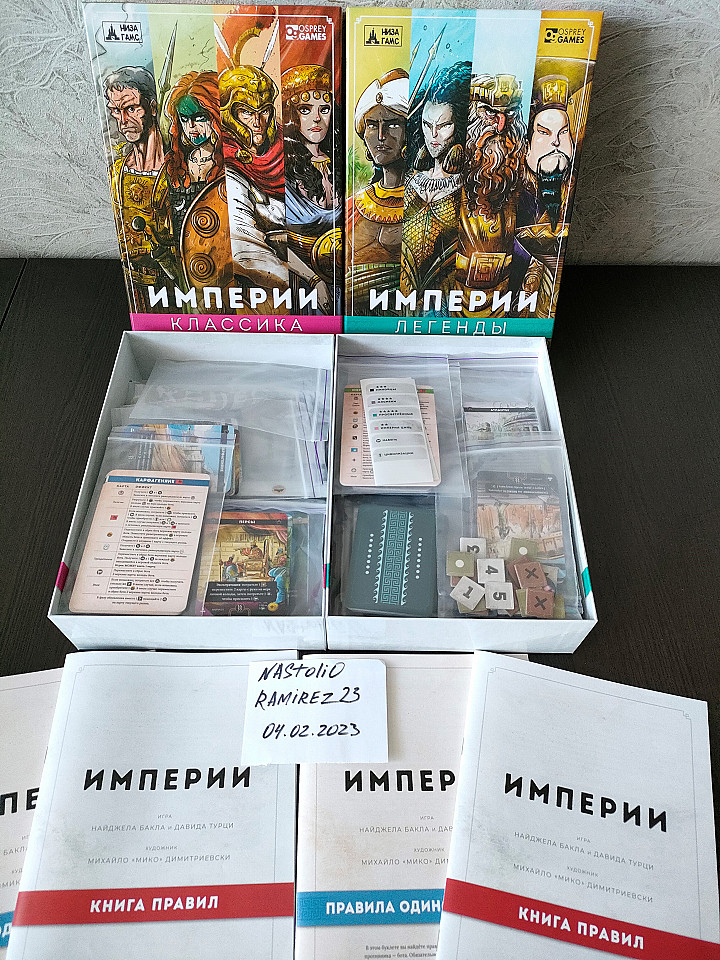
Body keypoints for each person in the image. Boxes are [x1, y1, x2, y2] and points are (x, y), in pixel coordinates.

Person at [400, 61, 472, 313]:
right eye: (427, 124)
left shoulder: (470, 184)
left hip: (448, 302)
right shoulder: (411, 178)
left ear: (458, 125)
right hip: (402, 299)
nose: (433, 136)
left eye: (443, 126)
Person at [104, 66, 176, 305]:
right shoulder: (117, 173)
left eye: (132, 109)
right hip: (133, 291)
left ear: (152, 107)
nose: (124, 121)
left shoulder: (178, 171)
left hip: (174, 290)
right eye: (116, 111)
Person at [456, 73, 526, 317]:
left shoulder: (524, 190)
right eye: (489, 113)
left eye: (510, 114)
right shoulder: (448, 184)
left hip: (504, 308)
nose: (501, 126)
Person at [346, 69, 409, 316]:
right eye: (372, 125)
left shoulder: (426, 202)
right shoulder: (353, 207)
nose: (381, 136)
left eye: (393, 124)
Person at [282, 64, 343, 313]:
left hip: (341, 284)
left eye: (324, 109)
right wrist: (314, 280)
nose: (317, 118)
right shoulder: (282, 169)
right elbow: (274, 239)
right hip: (301, 283)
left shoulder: (342, 163)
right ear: (291, 115)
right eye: (305, 109)